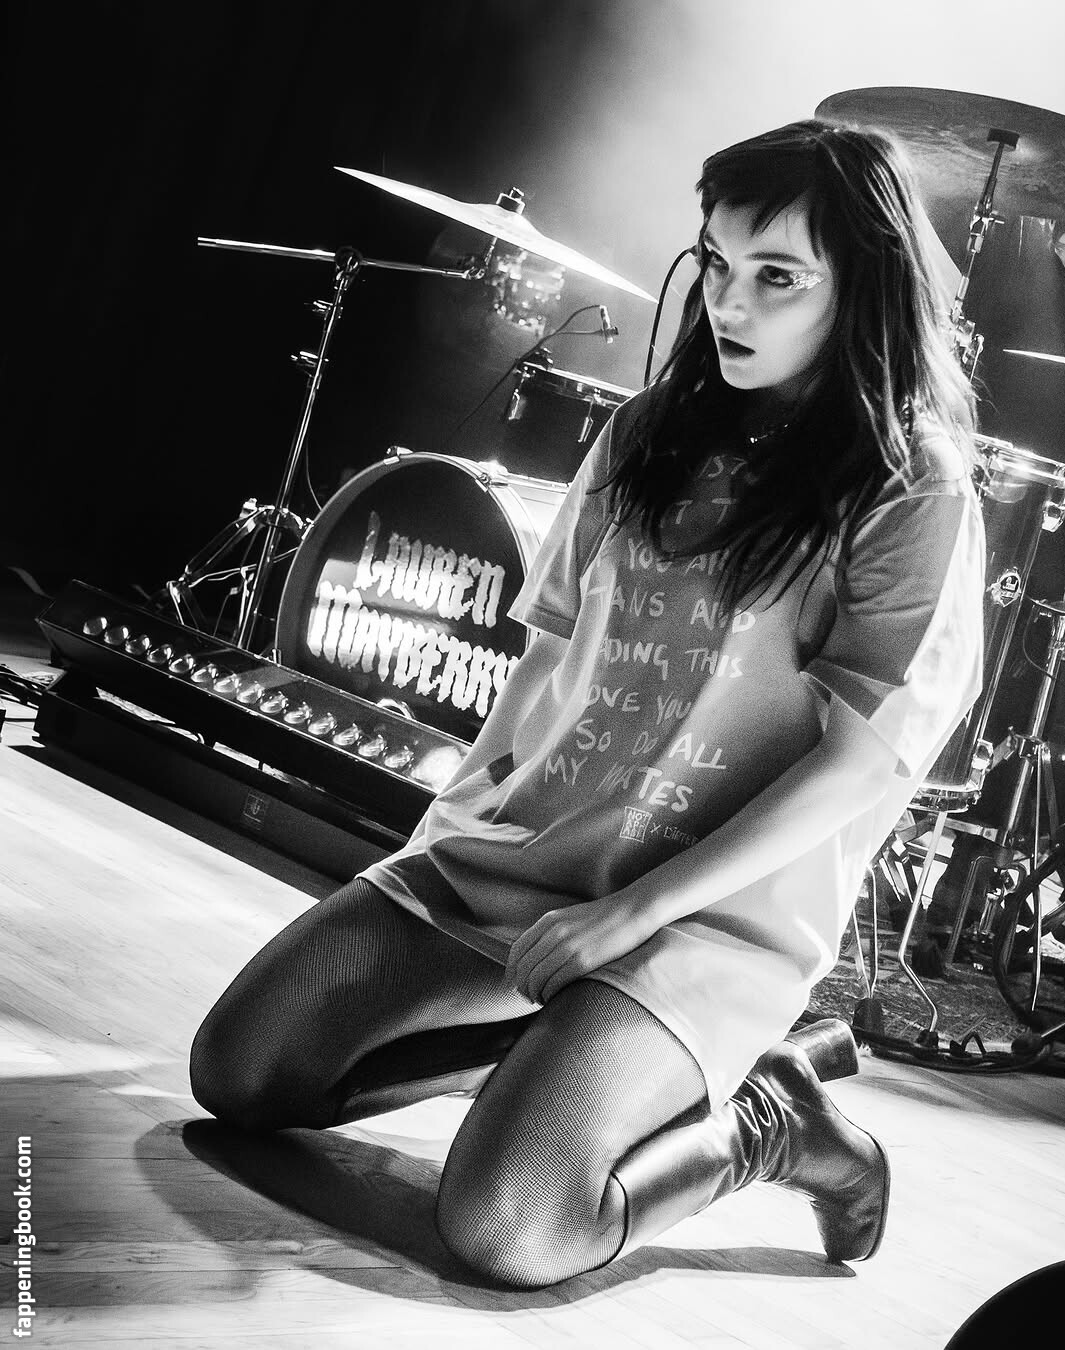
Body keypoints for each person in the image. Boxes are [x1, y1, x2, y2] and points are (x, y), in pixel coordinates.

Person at [190, 119, 985, 1290]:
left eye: (777, 277)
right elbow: (545, 665)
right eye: (716, 263)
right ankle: (544, 1052)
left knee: (508, 1225)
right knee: (241, 1073)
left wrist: (628, 917)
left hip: (708, 923)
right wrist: (442, 838)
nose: (730, 303)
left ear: (861, 290)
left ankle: (767, 1117)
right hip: (529, 860)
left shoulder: (912, 488)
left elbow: (860, 766)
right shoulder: (649, 431)